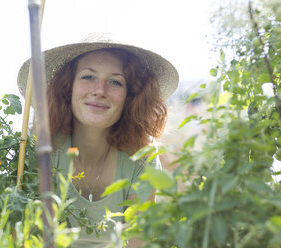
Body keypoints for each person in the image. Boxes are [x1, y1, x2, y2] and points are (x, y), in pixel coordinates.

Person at [17, 33, 179, 248]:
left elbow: (139, 241)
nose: (100, 91)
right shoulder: (43, 147)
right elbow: (27, 237)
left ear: (131, 96)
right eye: (88, 77)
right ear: (68, 87)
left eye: (115, 81)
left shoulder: (142, 154)